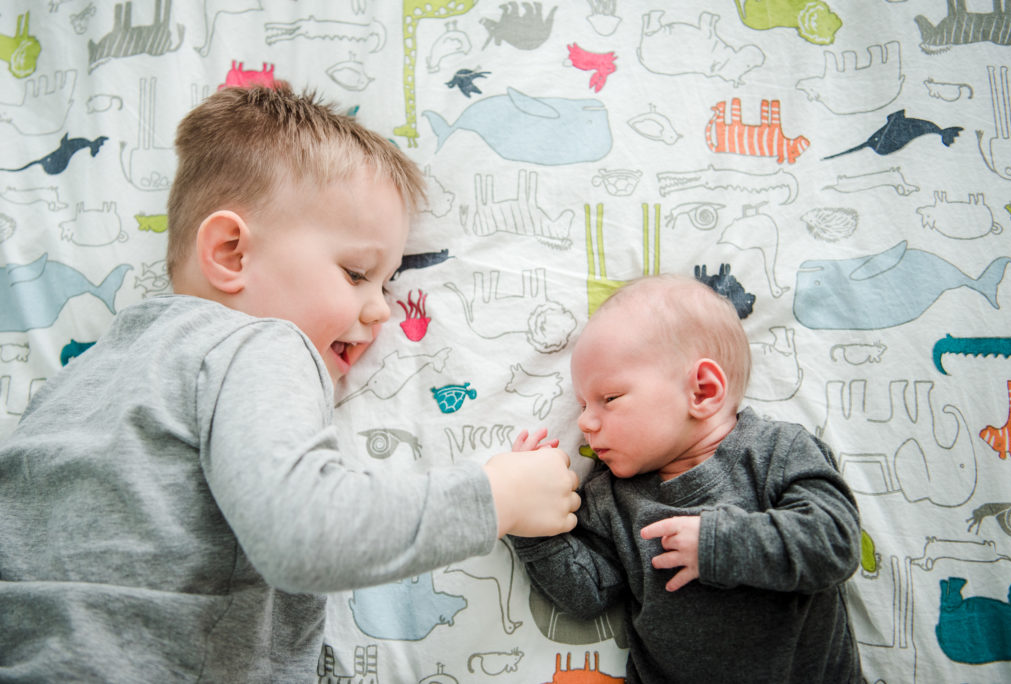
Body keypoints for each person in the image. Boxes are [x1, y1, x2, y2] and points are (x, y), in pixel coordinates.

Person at [0, 85, 580, 682]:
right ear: (231, 253)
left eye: (385, 285)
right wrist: (496, 498)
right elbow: (308, 534)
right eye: (357, 273)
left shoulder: (75, 383)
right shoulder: (257, 343)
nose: (380, 310)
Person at [511, 274, 861, 684]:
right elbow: (587, 595)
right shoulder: (611, 498)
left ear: (702, 392)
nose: (585, 422)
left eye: (609, 398)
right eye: (583, 404)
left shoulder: (776, 452)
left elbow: (836, 543)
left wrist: (720, 544)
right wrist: (530, 522)